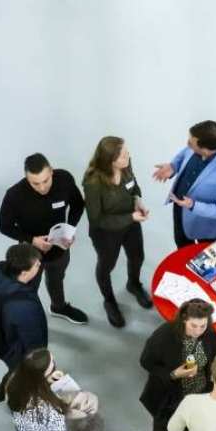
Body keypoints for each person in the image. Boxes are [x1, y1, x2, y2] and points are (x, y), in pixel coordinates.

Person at [131, 299, 216, 431]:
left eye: (203, 325)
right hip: (170, 400)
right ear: (184, 319)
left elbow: (212, 358)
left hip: (199, 398)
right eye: (193, 325)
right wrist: (173, 374)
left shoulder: (210, 334)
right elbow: (146, 361)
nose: (198, 331)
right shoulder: (165, 335)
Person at [0, 153, 88, 325]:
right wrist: (32, 240)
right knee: (27, 289)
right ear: (26, 178)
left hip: (60, 247)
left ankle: (59, 307)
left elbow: (78, 204)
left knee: (57, 278)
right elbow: (5, 226)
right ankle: (27, 319)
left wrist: (69, 230)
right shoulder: (14, 194)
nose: (42, 187)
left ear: (52, 172)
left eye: (46, 181)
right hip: (30, 253)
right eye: (35, 183)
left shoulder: (64, 179)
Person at [82, 136, 151, 329]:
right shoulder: (93, 182)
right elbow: (97, 219)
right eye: (122, 155)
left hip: (131, 221)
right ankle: (109, 300)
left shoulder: (126, 164)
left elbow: (133, 186)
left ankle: (134, 284)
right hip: (106, 232)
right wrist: (131, 217)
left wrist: (137, 200)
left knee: (137, 256)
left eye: (126, 152)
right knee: (106, 266)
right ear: (109, 160)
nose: (127, 157)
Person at [152, 120, 216, 248]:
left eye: (191, 143)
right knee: (181, 251)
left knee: (203, 264)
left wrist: (193, 205)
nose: (187, 144)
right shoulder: (196, 146)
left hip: (204, 229)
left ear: (205, 150)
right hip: (180, 211)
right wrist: (174, 165)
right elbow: (185, 153)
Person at [0, 241, 48, 402]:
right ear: (24, 272)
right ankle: (15, 401)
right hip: (17, 349)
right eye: (36, 265)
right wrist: (42, 363)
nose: (39, 266)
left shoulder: (0, 278)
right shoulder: (24, 308)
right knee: (21, 373)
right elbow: (34, 346)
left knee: (14, 370)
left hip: (3, 338)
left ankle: (0, 391)